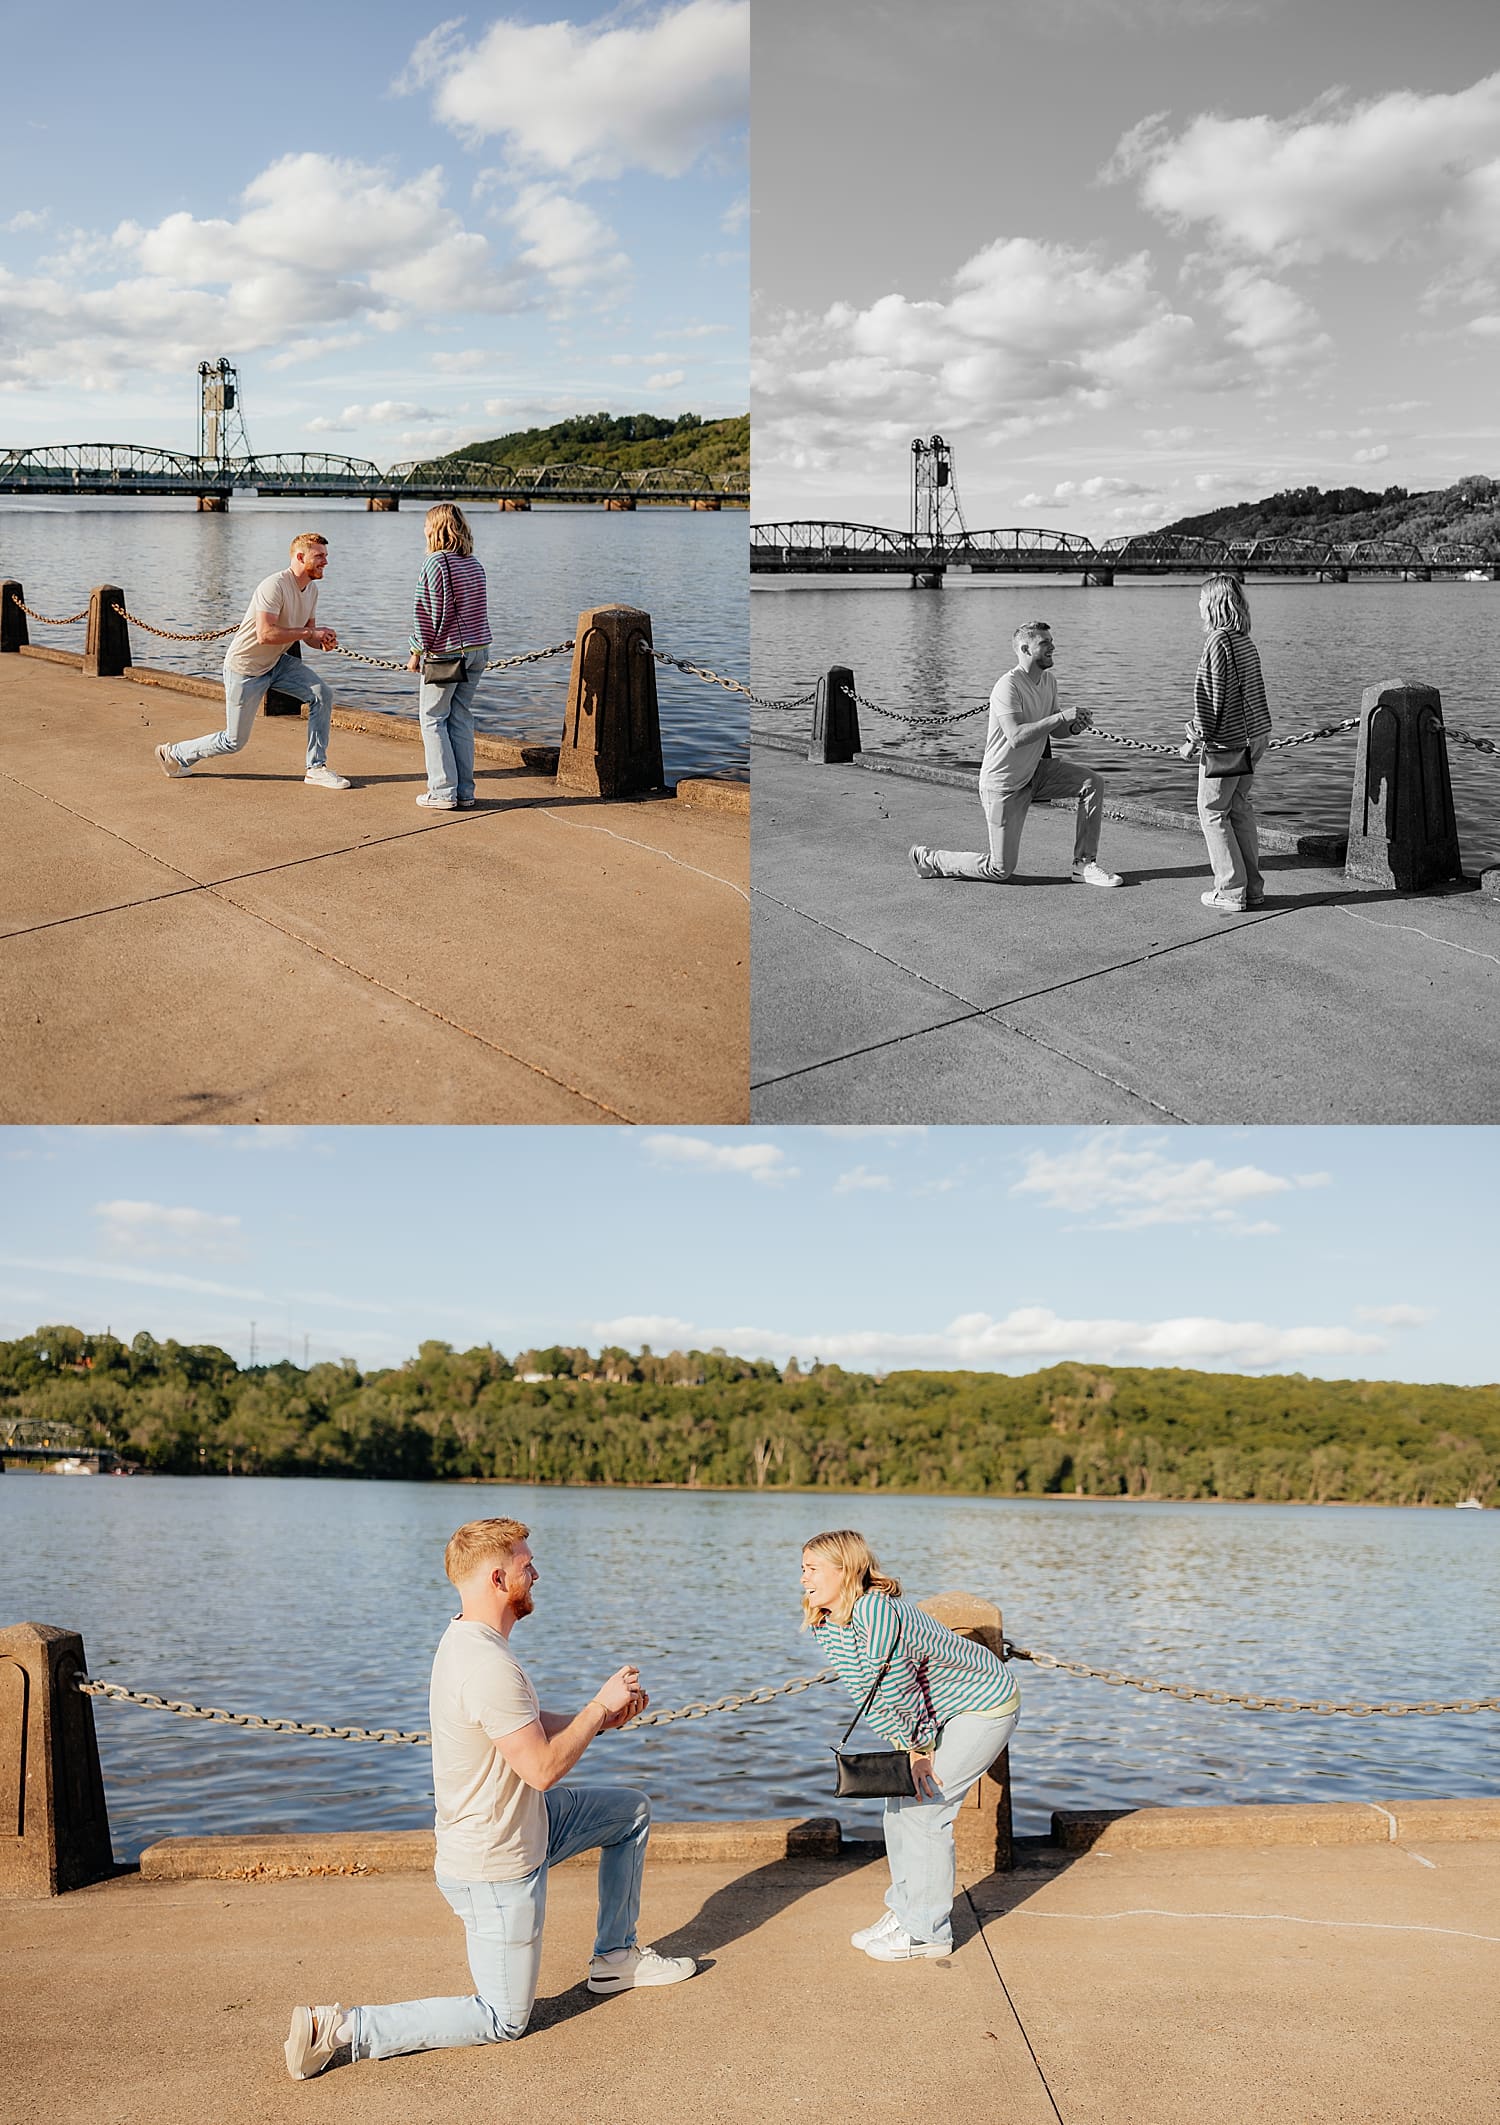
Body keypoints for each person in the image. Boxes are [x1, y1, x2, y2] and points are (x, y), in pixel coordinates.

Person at [283, 1516, 695, 2081]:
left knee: (629, 1813)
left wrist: (600, 1722)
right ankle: (341, 2029)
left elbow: (520, 1727)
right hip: (496, 1863)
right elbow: (543, 1768)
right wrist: (597, 1708)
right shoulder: (485, 1664)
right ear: (500, 1579)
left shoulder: (471, 1642)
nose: (538, 1574)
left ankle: (615, 1959)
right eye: (529, 1567)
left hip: (526, 1826)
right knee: (503, 2019)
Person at [801, 1530, 1019, 1964]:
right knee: (900, 1807)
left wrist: (918, 1751)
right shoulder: (826, 1621)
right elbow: (867, 1689)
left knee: (927, 1807)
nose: (803, 1579)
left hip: (983, 1704)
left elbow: (897, 1688)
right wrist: (909, 1747)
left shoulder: (878, 1614)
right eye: (802, 1568)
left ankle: (927, 1932)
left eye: (812, 1569)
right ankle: (905, 1913)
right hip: (934, 1714)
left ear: (846, 1571)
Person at [908, 621, 1122, 887]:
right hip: (1004, 784)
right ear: (1024, 648)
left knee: (1092, 783)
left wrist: (1073, 727)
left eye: (1051, 641)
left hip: (1034, 772)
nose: (1052, 647)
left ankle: (1084, 865)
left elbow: (1055, 731)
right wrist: (1059, 716)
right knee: (1000, 869)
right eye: (1044, 643)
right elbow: (1016, 736)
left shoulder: (1048, 681)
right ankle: (930, 859)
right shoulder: (1007, 686)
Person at [154, 532, 350, 789]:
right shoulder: (275, 585)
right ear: (300, 557)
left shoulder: (311, 590)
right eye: (320, 556)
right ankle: (174, 754)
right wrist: (311, 633)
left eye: (326, 555)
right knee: (233, 741)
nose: (326, 561)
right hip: (245, 668)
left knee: (322, 694)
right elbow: (265, 634)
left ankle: (316, 768)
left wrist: (322, 641)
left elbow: (307, 636)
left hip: (277, 663)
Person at [1184, 575, 1272, 914]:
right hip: (1254, 739)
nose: (1199, 608)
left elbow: (1209, 697)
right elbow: (1255, 694)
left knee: (1213, 812)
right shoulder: (1245, 641)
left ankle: (1231, 891)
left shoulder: (1217, 641)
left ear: (1212, 604)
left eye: (1202, 601)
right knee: (1239, 809)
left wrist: (1194, 738)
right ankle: (1253, 888)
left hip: (1227, 743)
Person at [405, 503, 491, 810]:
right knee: (460, 716)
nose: (423, 529)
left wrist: (417, 651)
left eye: (426, 524)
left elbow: (427, 613)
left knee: (432, 719)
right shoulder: (474, 563)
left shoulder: (435, 563)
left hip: (447, 652)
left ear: (436, 528)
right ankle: (465, 792)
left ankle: (441, 792)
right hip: (478, 648)